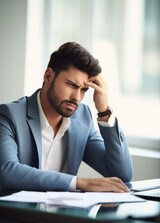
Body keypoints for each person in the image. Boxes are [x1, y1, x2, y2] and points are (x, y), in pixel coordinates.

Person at [0, 42, 133, 194]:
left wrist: (104, 112)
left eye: (84, 90)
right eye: (71, 85)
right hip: (20, 216)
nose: (77, 97)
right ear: (48, 76)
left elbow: (123, 175)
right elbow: (7, 171)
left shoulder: (82, 118)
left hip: (63, 217)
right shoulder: (9, 115)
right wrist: (78, 182)